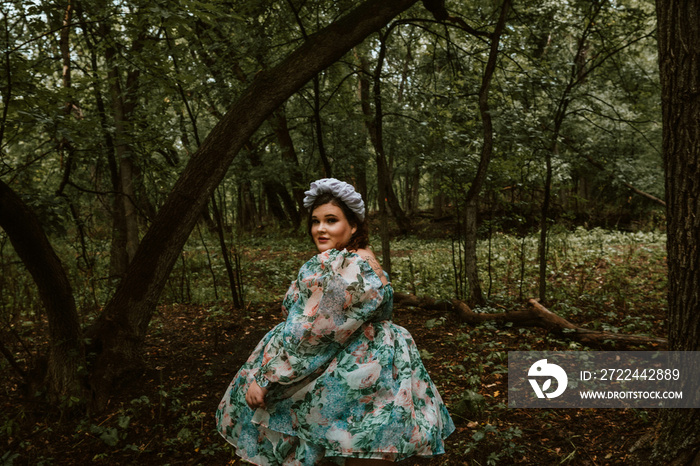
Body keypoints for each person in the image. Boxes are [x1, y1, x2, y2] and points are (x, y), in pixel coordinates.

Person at [216, 178, 455, 465]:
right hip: (368, 363)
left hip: (356, 370)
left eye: (331, 220)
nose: (320, 229)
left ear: (353, 225)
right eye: (315, 221)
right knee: (355, 450)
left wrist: (268, 377)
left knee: (348, 448)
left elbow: (315, 332)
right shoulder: (359, 258)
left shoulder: (348, 267)